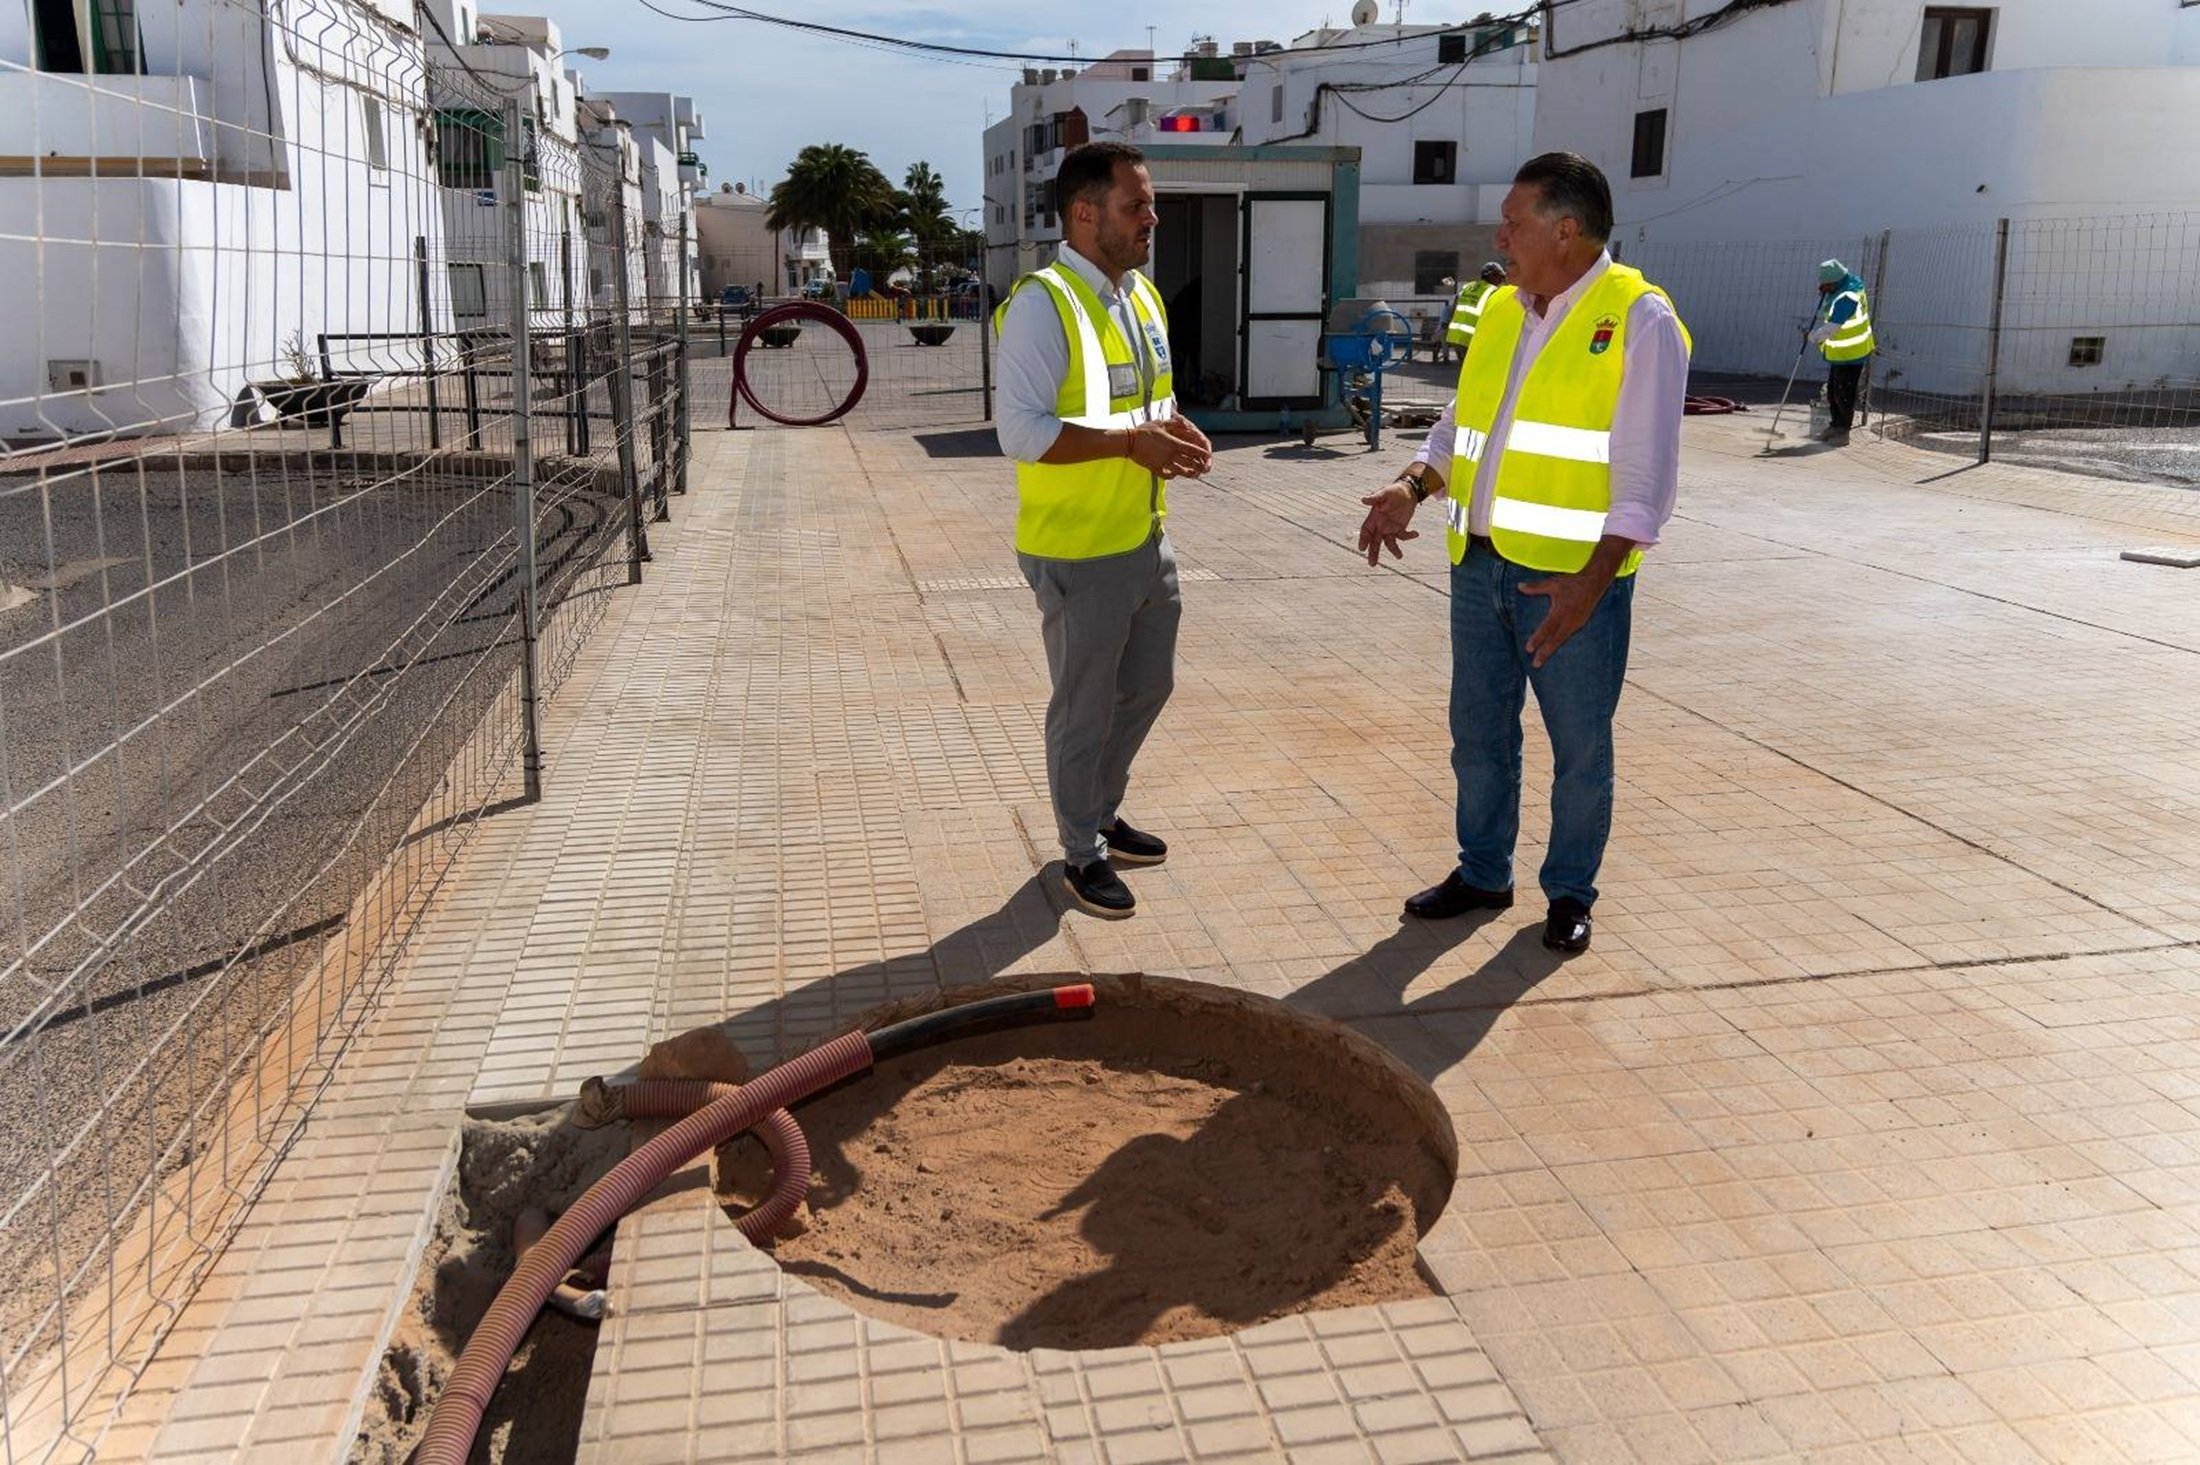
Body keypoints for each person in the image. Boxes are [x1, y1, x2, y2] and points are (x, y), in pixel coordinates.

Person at [1355, 153, 1691, 955]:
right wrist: (1412, 484)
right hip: (1479, 565)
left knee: (1579, 748)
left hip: (1571, 585)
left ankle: (1570, 892)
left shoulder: (1639, 319)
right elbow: (1460, 427)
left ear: (1566, 230)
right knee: (1478, 734)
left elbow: (1645, 482)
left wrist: (1590, 585)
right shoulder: (1502, 309)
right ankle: (1483, 872)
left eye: (1515, 219)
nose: (1499, 232)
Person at [993, 142, 1214, 920]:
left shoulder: (1140, 296)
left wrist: (1174, 430)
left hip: (1145, 535)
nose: (1152, 217)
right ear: (1085, 214)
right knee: (1083, 705)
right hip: (1077, 548)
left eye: (1149, 204)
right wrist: (1129, 444)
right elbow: (1019, 432)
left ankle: (1101, 811)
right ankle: (1080, 849)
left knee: (1149, 685)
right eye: (1137, 206)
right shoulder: (1041, 303)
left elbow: (1148, 402)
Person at [1809, 258, 1874, 445]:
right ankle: (1835, 425)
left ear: (1835, 281)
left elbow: (1833, 327)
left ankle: (1843, 432)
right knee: (1832, 392)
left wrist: (1812, 337)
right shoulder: (1842, 287)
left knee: (1844, 394)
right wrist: (1826, 293)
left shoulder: (1848, 297)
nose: (1823, 287)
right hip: (1841, 353)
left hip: (1853, 353)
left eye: (1826, 285)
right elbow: (1831, 307)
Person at [1442, 261, 1508, 363]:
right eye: (1500, 277)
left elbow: (1454, 309)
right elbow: (1494, 316)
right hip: (1471, 339)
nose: (1501, 281)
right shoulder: (1492, 291)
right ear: (1492, 276)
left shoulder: (1467, 287)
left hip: (1455, 336)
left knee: (1464, 370)